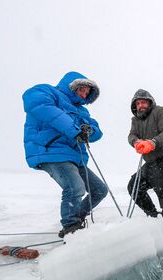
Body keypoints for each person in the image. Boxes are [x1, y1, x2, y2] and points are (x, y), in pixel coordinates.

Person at [23, 71, 108, 238]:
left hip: (74, 158)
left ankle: (76, 218)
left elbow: (98, 132)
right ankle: (71, 227)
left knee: (99, 190)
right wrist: (74, 129)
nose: (84, 94)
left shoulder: (82, 112)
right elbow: (41, 107)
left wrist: (88, 130)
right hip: (50, 151)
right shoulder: (46, 92)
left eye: (87, 92)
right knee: (75, 187)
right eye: (81, 89)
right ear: (72, 86)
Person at [127, 89, 163, 235]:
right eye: (138, 103)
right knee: (134, 187)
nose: (141, 105)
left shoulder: (161, 112)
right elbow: (131, 135)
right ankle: (154, 218)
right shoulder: (135, 120)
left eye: (144, 102)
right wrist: (136, 142)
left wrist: (152, 143)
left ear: (150, 102)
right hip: (151, 160)